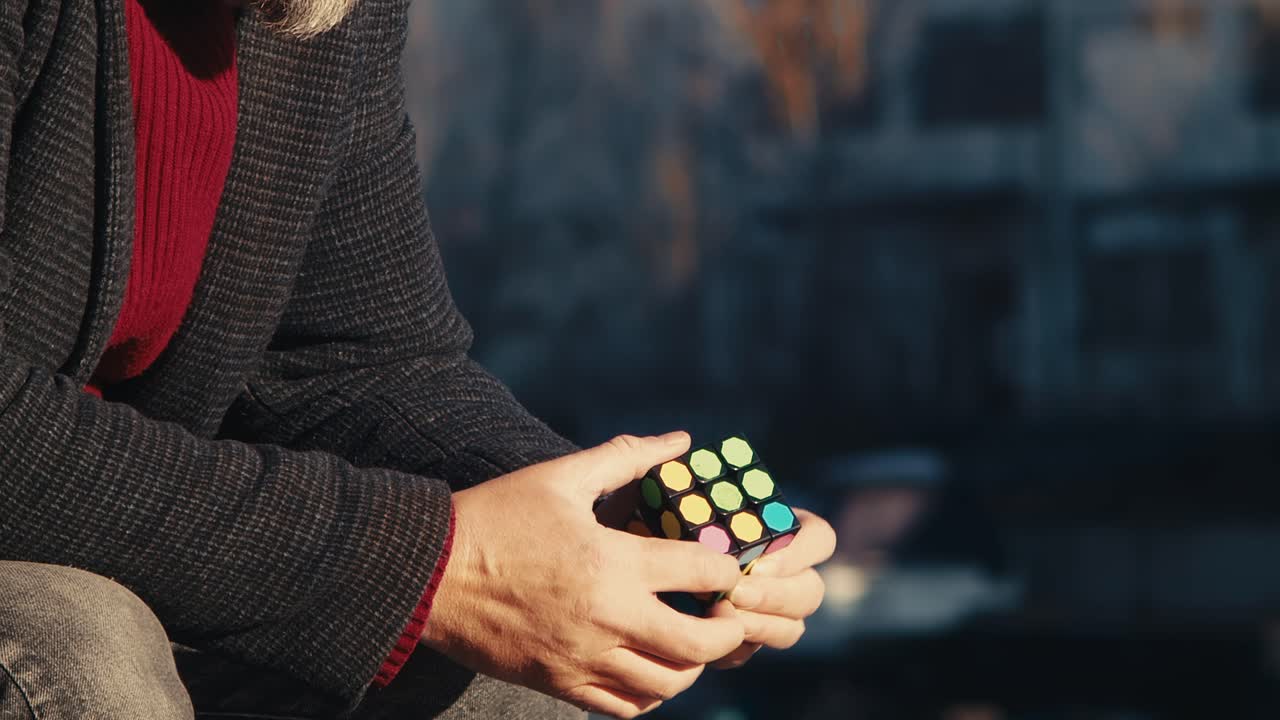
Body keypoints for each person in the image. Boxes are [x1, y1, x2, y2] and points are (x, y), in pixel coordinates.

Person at [0, 0, 835, 718]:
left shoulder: (326, 17)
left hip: (146, 535)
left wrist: (597, 532)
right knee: (80, 644)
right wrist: (435, 564)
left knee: (523, 680)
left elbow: (354, 364)